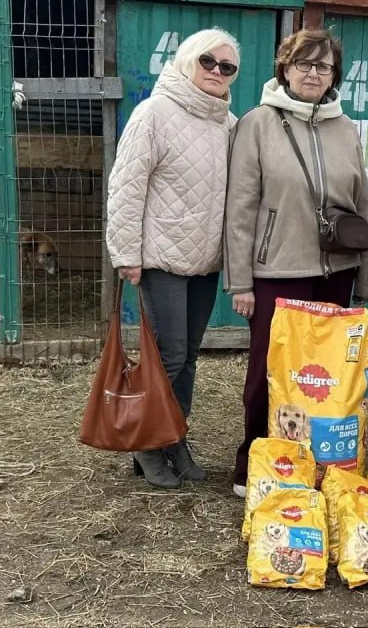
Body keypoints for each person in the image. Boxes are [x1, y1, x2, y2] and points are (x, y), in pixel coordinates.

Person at [224, 28, 368, 498]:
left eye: (323, 66)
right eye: (304, 64)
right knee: (267, 371)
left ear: (334, 75)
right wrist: (240, 281)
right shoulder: (257, 123)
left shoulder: (345, 128)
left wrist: (366, 278)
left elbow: (362, 204)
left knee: (322, 375)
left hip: (336, 271)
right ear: (285, 69)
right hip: (276, 271)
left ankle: (315, 463)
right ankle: (253, 460)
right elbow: (239, 207)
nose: (313, 73)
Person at [105, 28, 241, 489]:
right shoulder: (154, 113)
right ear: (187, 60)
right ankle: (147, 444)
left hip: (204, 261)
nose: (217, 71)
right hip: (161, 258)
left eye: (227, 66)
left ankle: (174, 437)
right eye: (208, 61)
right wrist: (126, 252)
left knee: (188, 357)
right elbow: (127, 186)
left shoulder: (228, 124)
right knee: (169, 355)